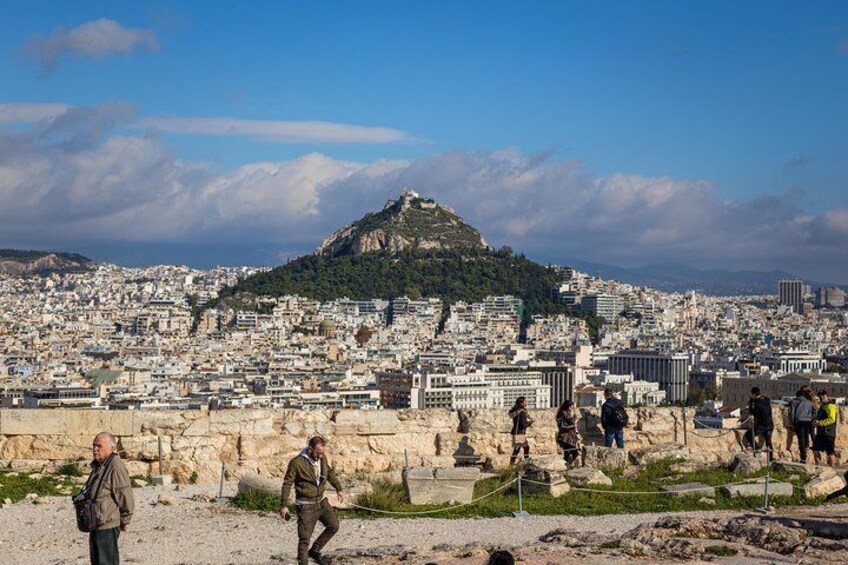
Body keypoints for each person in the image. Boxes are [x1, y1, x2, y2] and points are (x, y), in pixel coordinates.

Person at [280, 437, 346, 565]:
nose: (320, 455)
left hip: (321, 502)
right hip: (306, 506)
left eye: (322, 453)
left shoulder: (322, 458)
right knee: (304, 538)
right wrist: (283, 505)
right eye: (317, 452)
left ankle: (315, 550)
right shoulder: (297, 463)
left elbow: (329, 473)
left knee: (333, 526)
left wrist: (339, 489)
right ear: (310, 449)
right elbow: (287, 483)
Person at [86, 431, 134, 565]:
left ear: (111, 447)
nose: (95, 449)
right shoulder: (100, 466)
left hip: (107, 525)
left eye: (99, 446)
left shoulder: (115, 466)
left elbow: (124, 493)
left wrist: (126, 519)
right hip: (96, 523)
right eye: (94, 445)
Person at [744, 387, 774, 462]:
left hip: (762, 425)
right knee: (768, 442)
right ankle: (770, 459)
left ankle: (757, 449)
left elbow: (754, 413)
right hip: (770, 424)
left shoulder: (756, 403)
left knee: (748, 435)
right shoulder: (766, 400)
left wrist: (751, 405)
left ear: (754, 394)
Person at [788, 386, 817, 462]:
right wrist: (811, 417)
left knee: (801, 439)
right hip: (807, 421)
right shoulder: (809, 402)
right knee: (806, 436)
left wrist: (791, 423)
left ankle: (803, 457)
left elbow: (792, 413)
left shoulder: (794, 401)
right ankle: (807, 447)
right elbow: (815, 411)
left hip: (799, 421)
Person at [812, 390, 838, 467]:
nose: (821, 397)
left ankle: (832, 470)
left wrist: (819, 423)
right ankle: (819, 468)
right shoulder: (822, 406)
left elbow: (832, 419)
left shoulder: (831, 406)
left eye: (823, 395)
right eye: (820, 395)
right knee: (815, 450)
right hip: (820, 432)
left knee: (830, 453)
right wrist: (815, 421)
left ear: (827, 395)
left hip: (828, 433)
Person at [508, 397, 533, 465]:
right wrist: (530, 423)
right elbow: (523, 425)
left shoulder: (517, 411)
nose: (527, 402)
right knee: (521, 449)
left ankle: (512, 465)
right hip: (519, 433)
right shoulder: (522, 412)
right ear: (522, 403)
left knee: (520, 449)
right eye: (525, 401)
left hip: (516, 432)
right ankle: (526, 463)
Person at [555, 400, 580, 465]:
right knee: (573, 453)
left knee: (569, 454)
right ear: (568, 406)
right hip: (565, 438)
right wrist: (573, 424)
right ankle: (566, 466)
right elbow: (562, 426)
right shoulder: (563, 413)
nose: (572, 408)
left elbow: (572, 422)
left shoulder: (568, 413)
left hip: (569, 438)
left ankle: (566, 466)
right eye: (571, 406)